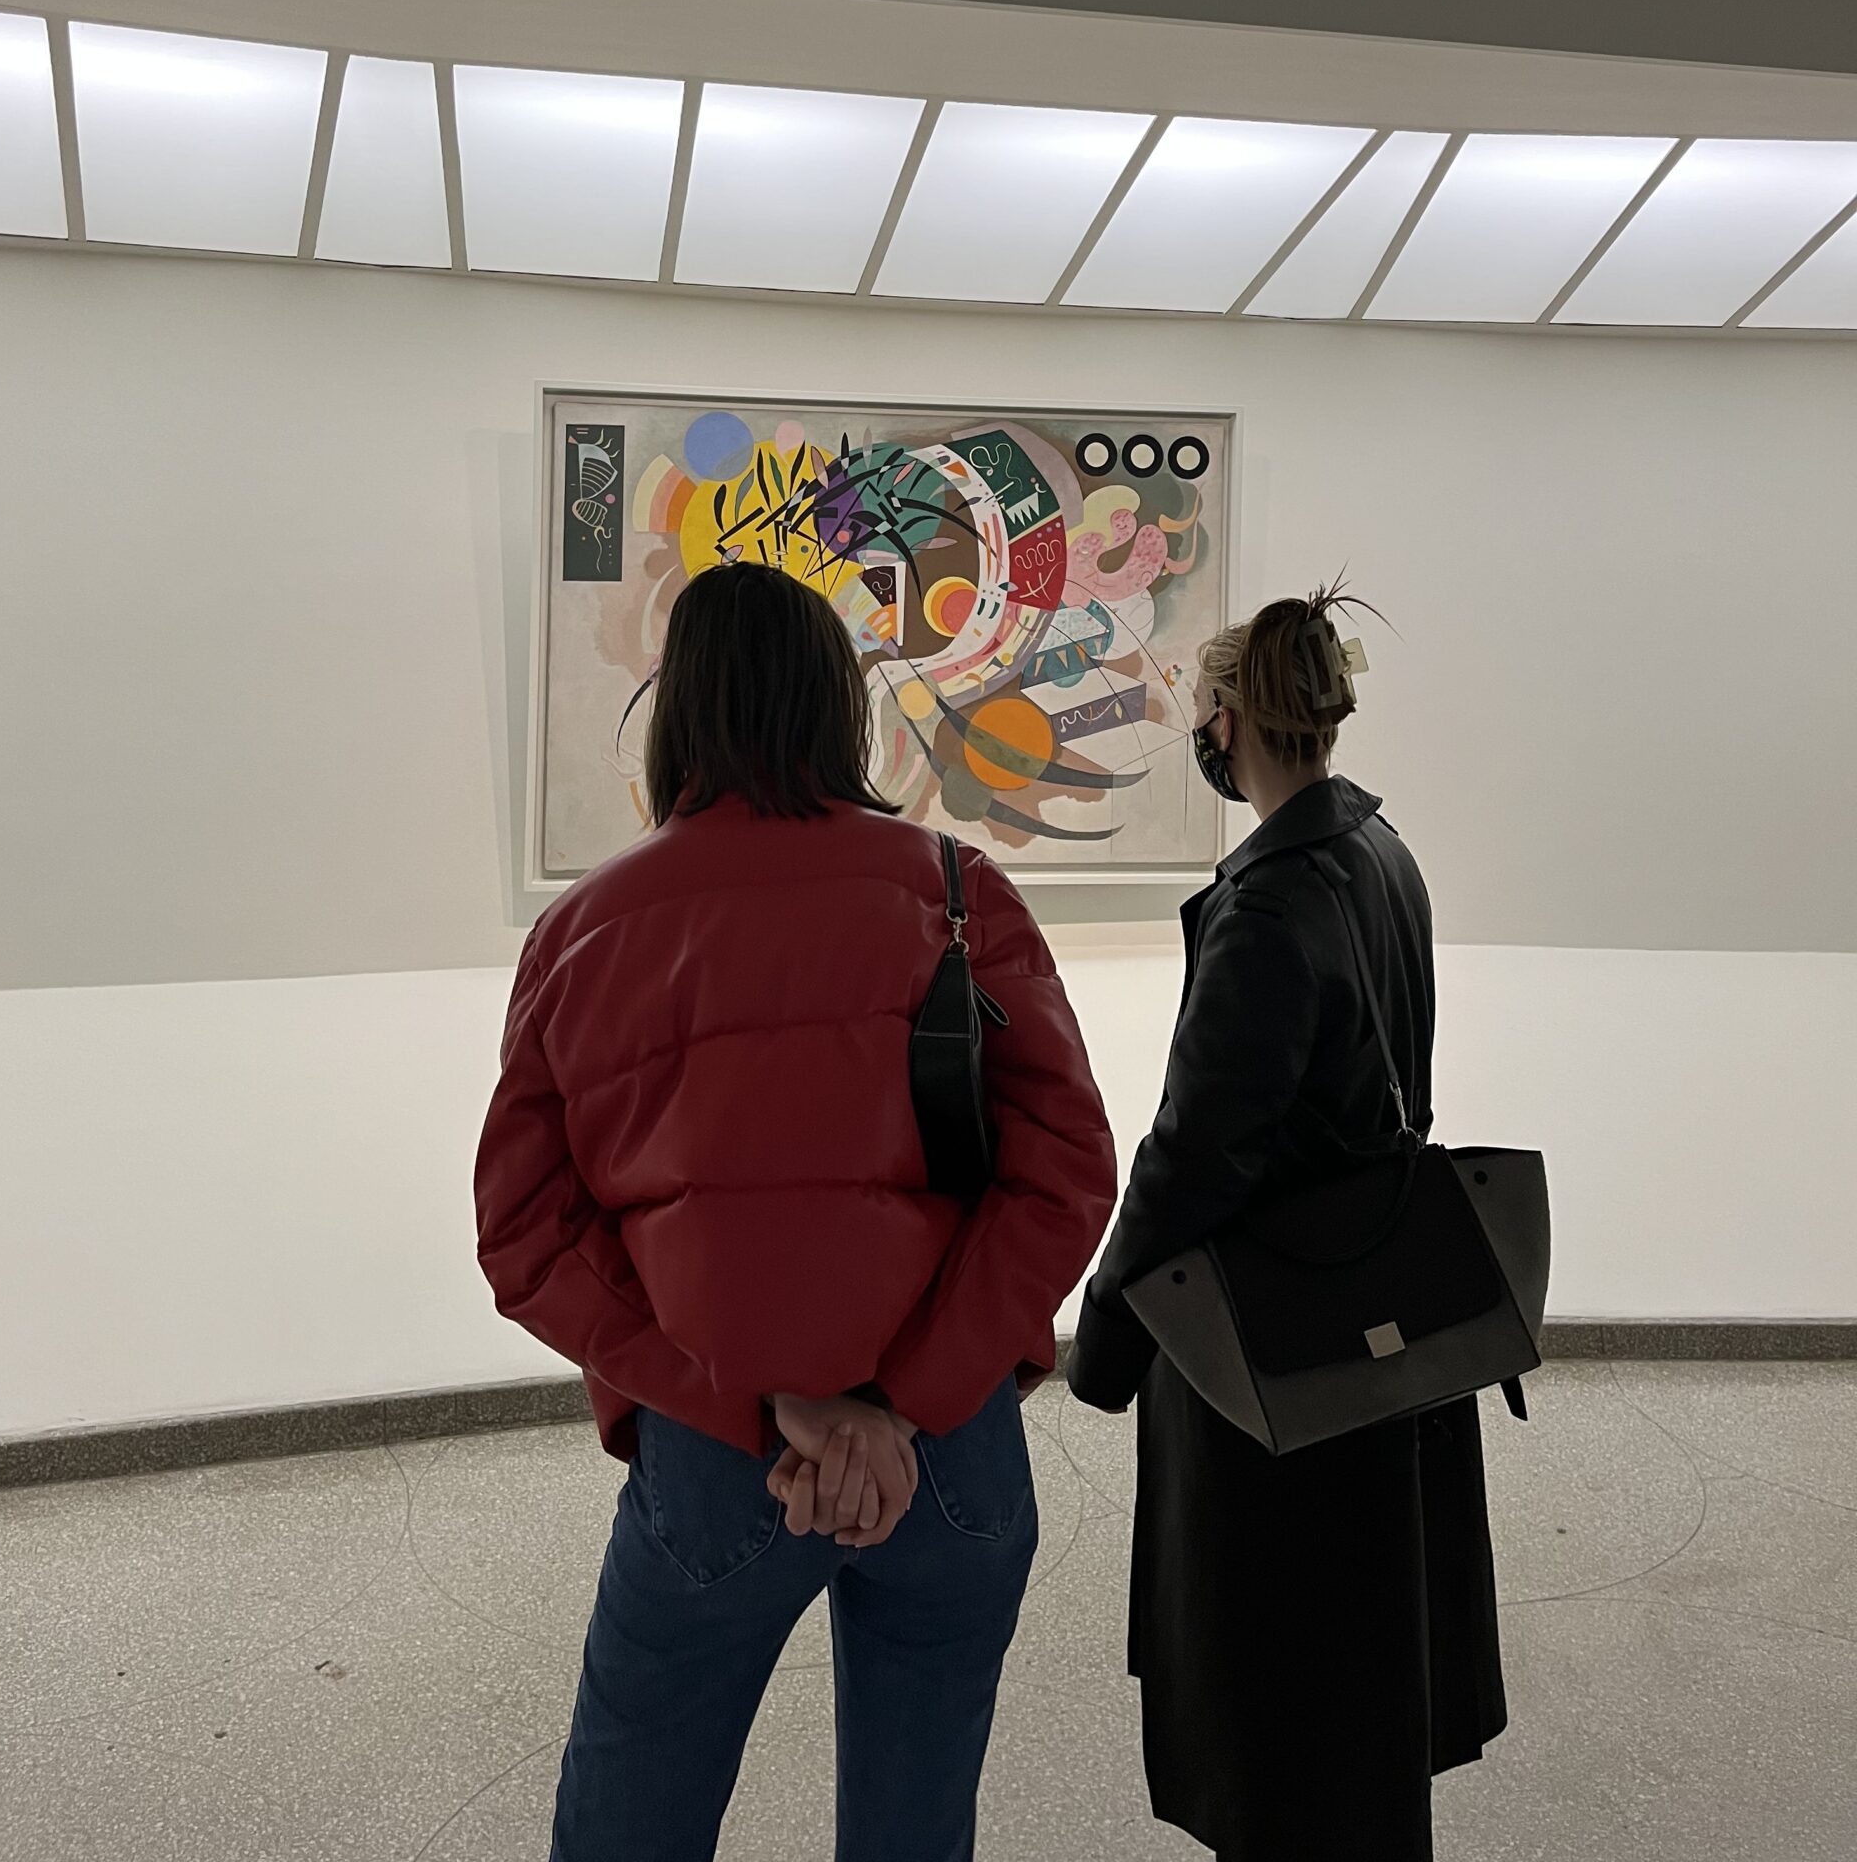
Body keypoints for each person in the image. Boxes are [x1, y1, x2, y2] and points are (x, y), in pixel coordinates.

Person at [475, 558, 1117, 1862]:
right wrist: (905, 1404)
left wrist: (751, 1408)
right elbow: (1066, 1172)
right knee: (914, 1829)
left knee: (629, 1825)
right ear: (841, 706)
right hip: (952, 1458)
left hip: (719, 1469)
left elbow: (524, 1233)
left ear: (676, 713)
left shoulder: (587, 932)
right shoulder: (952, 892)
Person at [1068, 586, 1506, 1861]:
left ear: (1227, 719)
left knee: (1282, 1707)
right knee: (1360, 1694)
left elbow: (1195, 1154)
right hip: (1376, 1323)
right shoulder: (1382, 856)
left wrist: (1104, 1338)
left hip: (1277, 1355)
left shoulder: (1271, 904)